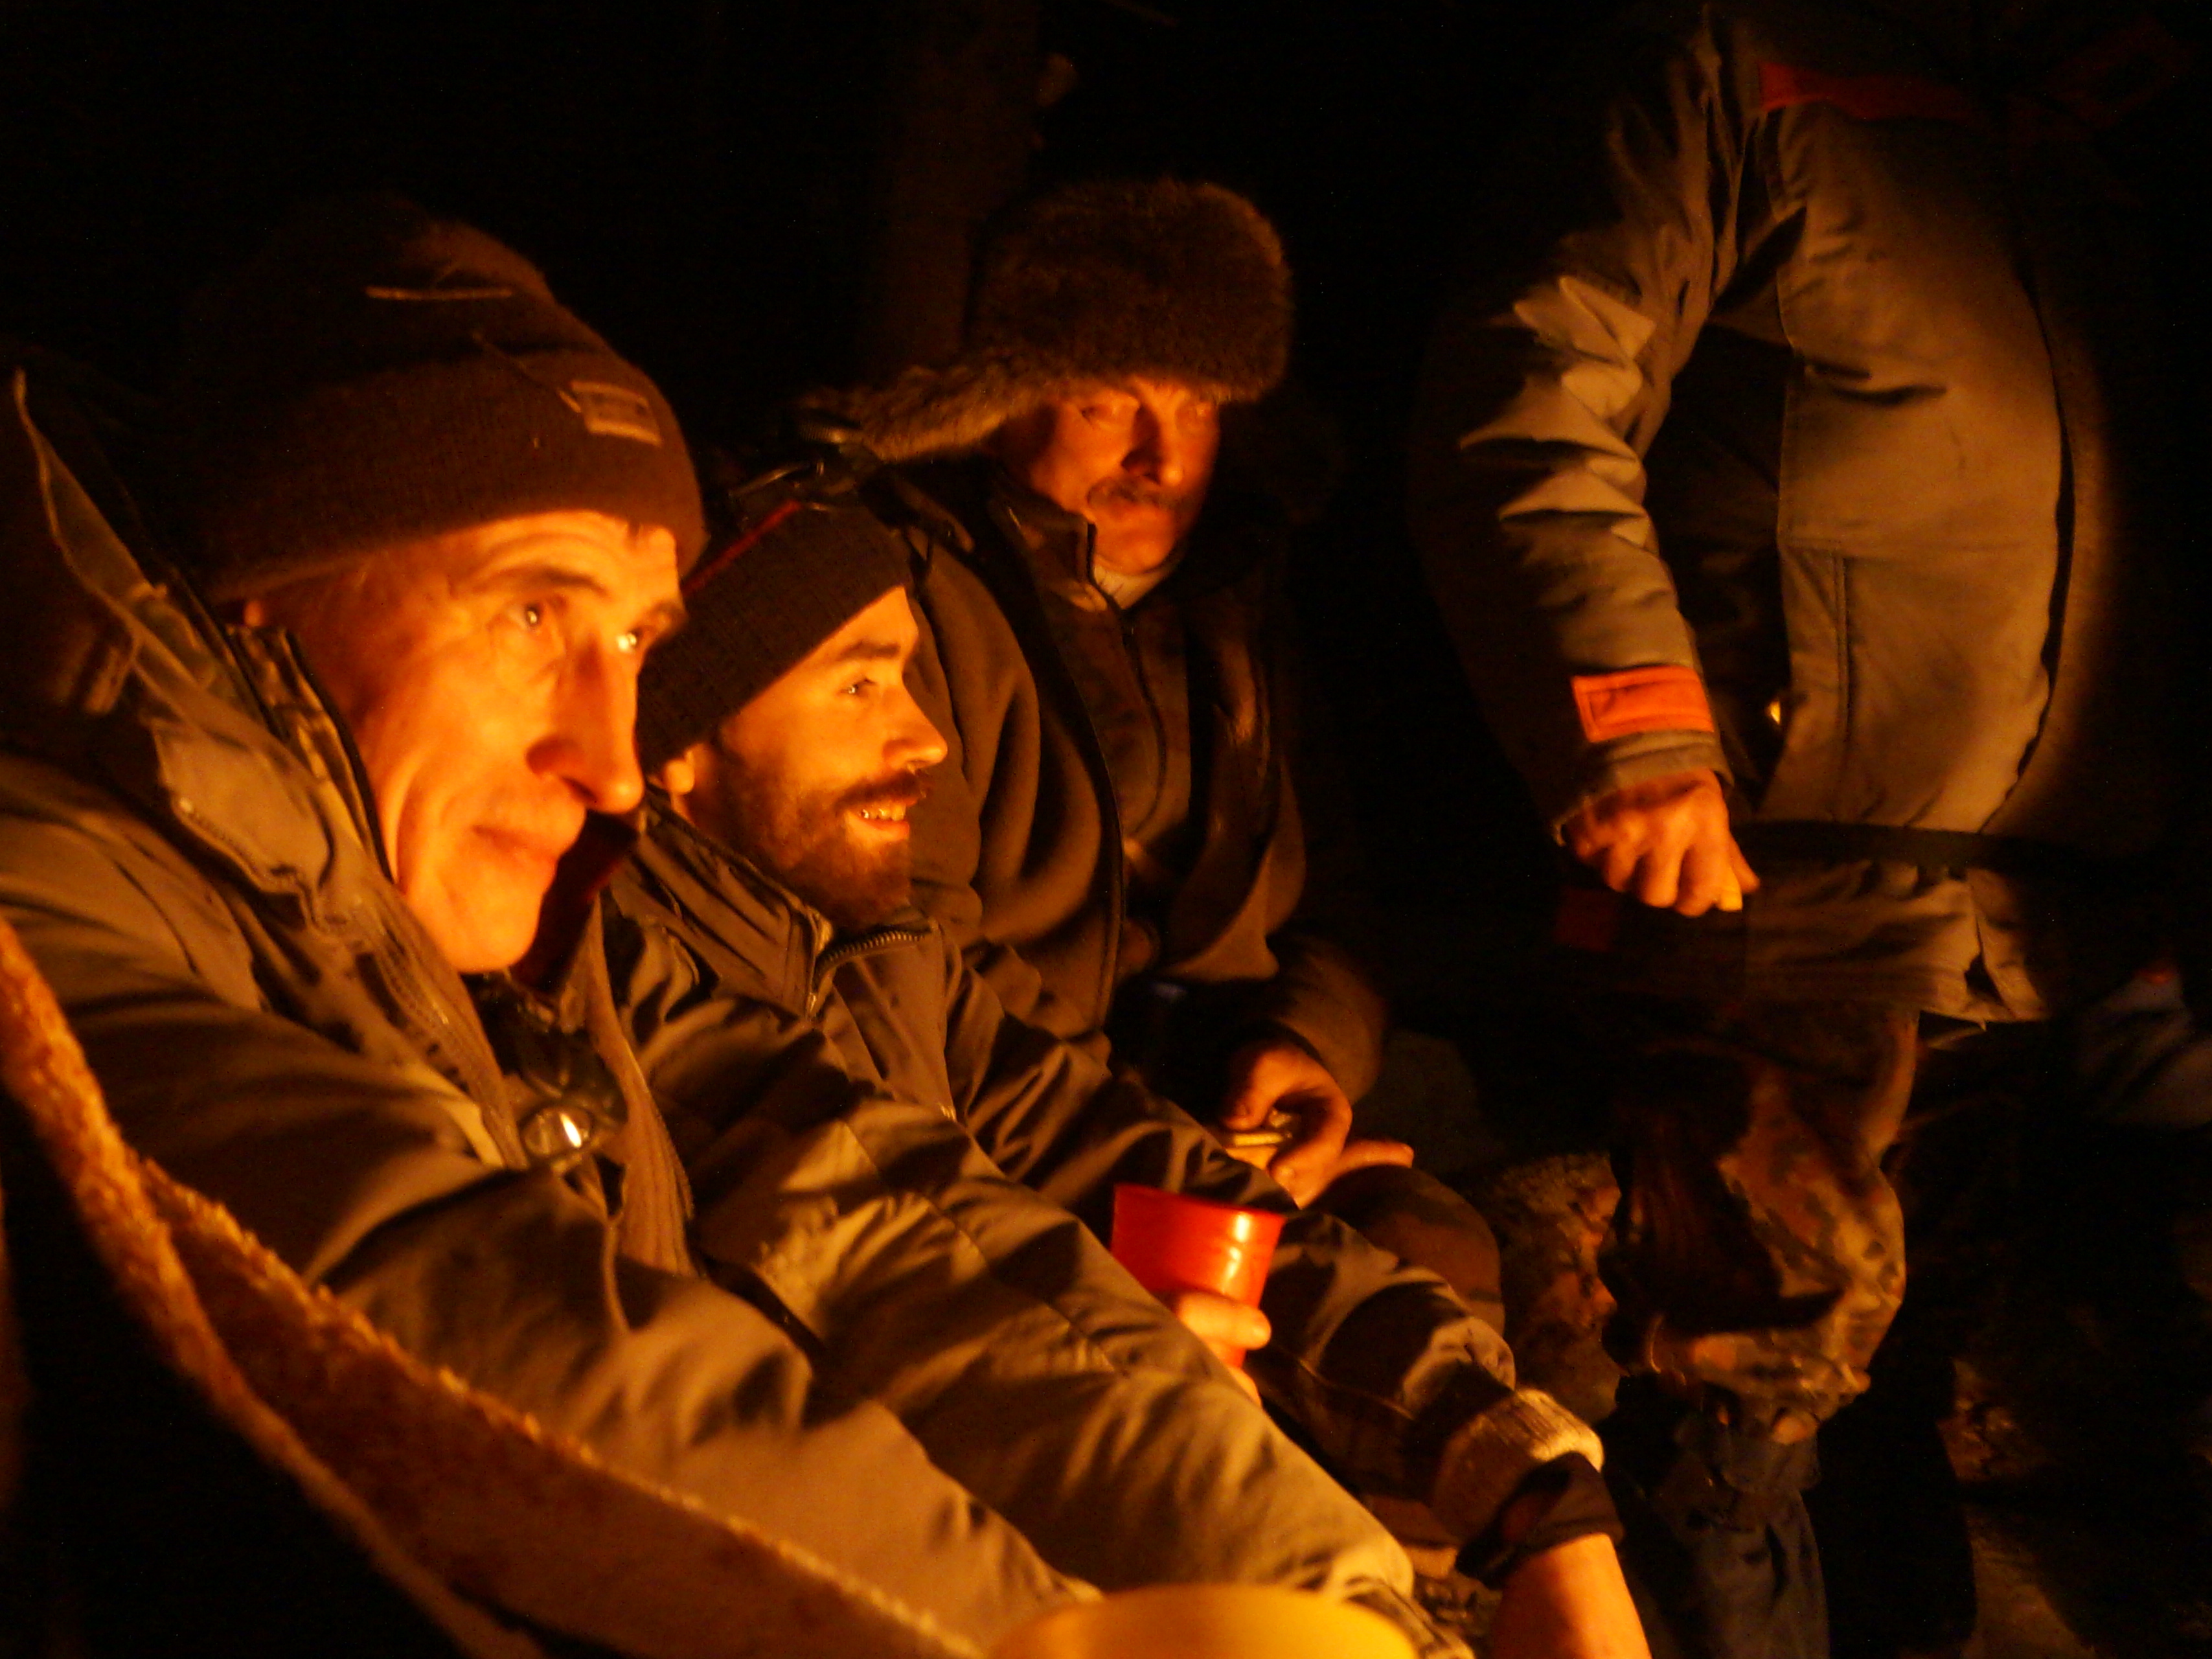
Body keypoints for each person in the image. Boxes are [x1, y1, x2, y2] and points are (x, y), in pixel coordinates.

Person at [0, 197, 1095, 1651]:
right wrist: (1052, 1641)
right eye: (530, 615)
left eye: (635, 640)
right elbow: (449, 1293)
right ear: (270, 599)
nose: (615, 762)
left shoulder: (552, 946)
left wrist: (1307, 1550)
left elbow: (892, 1210)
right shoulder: (52, 897)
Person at [1406, 4, 2192, 1656]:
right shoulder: (1739, 68)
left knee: (1895, 1383)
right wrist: (1628, 727)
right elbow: (1530, 391)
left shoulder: (2065, 145)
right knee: (1752, 1380)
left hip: (2026, 916)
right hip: (1771, 889)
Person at [611, 493, 1653, 1659]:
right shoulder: (632, 997)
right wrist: (1152, 1359)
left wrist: (1525, 1477)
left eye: (906, 675)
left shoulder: (881, 956)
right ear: (677, 743)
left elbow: (1119, 1156)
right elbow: (907, 1276)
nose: (927, 737)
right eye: (859, 685)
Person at [801, 179, 1408, 1205]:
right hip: (1018, 1138)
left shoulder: (1240, 595)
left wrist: (1309, 1046)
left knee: (1433, 1243)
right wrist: (1167, 1154)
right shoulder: (910, 595)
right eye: (1105, 403)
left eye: (1198, 407)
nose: (1161, 460)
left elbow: (1336, 901)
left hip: (1225, 1119)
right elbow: (917, 946)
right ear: (996, 411)